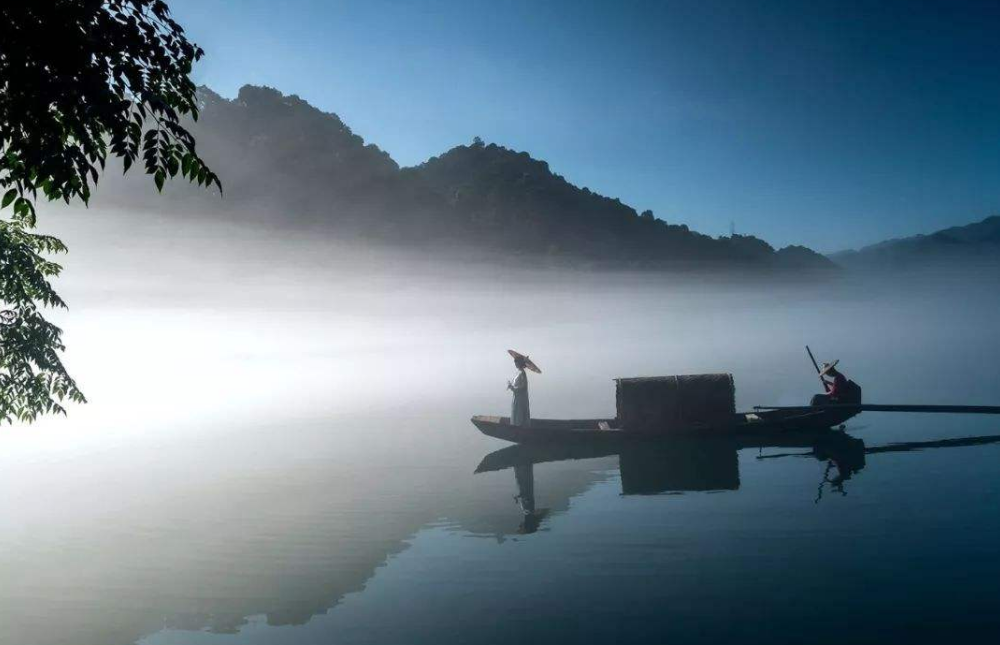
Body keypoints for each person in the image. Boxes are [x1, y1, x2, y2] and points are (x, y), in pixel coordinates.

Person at [508, 355, 531, 426]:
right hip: (517, 396)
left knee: (519, 413)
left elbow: (524, 387)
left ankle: (519, 425)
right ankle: (516, 424)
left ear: (519, 363)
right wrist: (511, 385)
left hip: (520, 398)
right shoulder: (518, 372)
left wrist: (513, 388)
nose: (515, 364)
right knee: (516, 411)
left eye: (516, 362)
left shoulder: (522, 373)